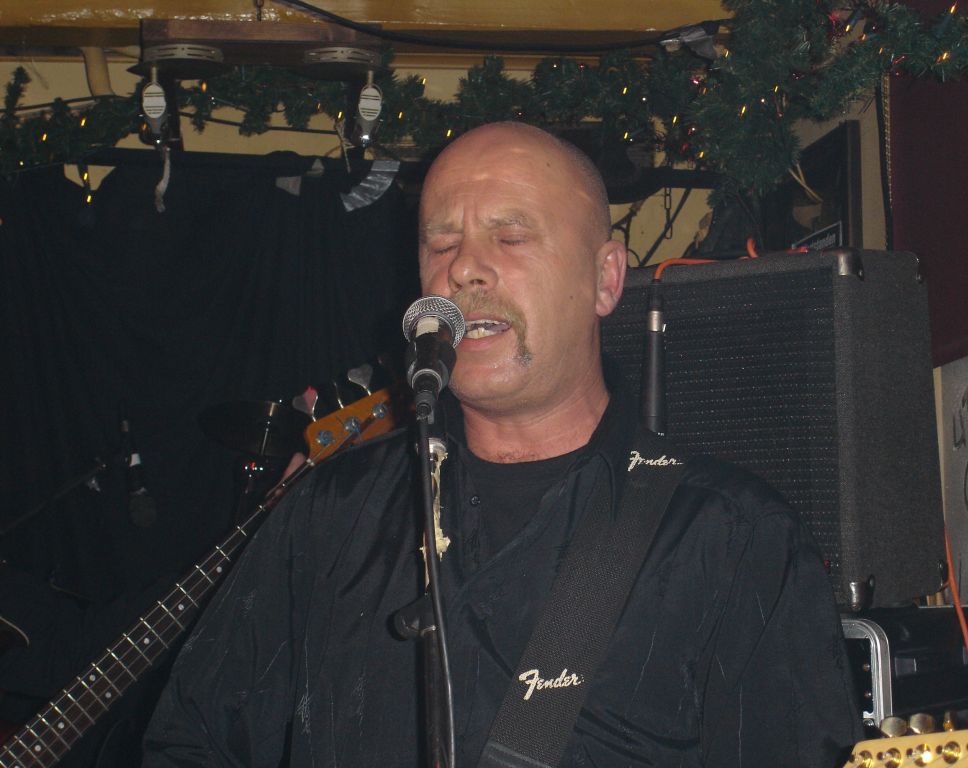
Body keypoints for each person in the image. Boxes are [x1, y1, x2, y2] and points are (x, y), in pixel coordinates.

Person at [142, 122, 862, 767]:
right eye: (441, 243)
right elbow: (192, 741)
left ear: (606, 279)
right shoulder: (327, 512)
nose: (463, 269)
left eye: (510, 237)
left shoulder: (734, 538)